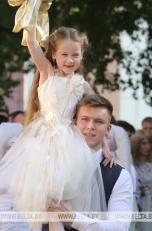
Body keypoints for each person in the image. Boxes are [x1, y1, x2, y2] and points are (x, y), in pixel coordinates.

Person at [0, 12, 111, 231]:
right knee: (48, 202)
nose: (70, 60)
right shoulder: (47, 72)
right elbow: (31, 43)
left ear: (82, 55)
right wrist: (31, 11)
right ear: (53, 55)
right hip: (43, 141)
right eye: (65, 54)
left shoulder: (83, 85)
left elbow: (99, 115)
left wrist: (105, 145)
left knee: (62, 203)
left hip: (70, 144)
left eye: (76, 55)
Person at [47, 94, 133, 231]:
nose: (90, 126)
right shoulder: (51, 162)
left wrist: (73, 218)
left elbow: (120, 227)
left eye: (99, 121)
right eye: (85, 119)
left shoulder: (120, 176)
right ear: (75, 122)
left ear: (108, 129)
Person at [0, 122, 30, 231]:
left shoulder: (27, 171)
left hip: (23, 221)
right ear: (3, 149)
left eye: (15, 147)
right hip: (0, 221)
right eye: (9, 147)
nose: (11, 151)